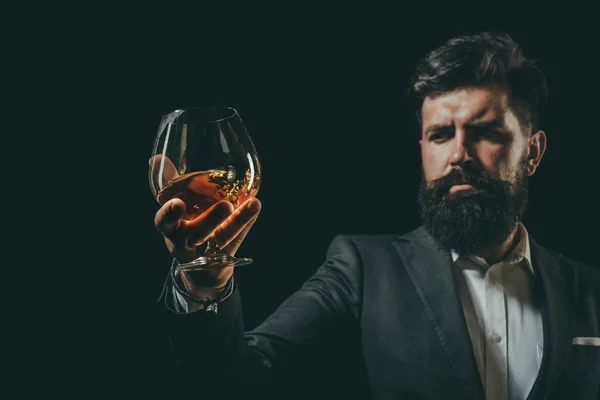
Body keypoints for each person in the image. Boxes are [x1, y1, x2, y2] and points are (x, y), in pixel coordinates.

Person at [153, 32, 599, 400]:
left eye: (485, 133)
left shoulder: (590, 290)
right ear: (423, 150)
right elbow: (236, 381)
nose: (459, 154)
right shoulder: (362, 269)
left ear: (533, 152)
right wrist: (204, 285)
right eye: (440, 135)